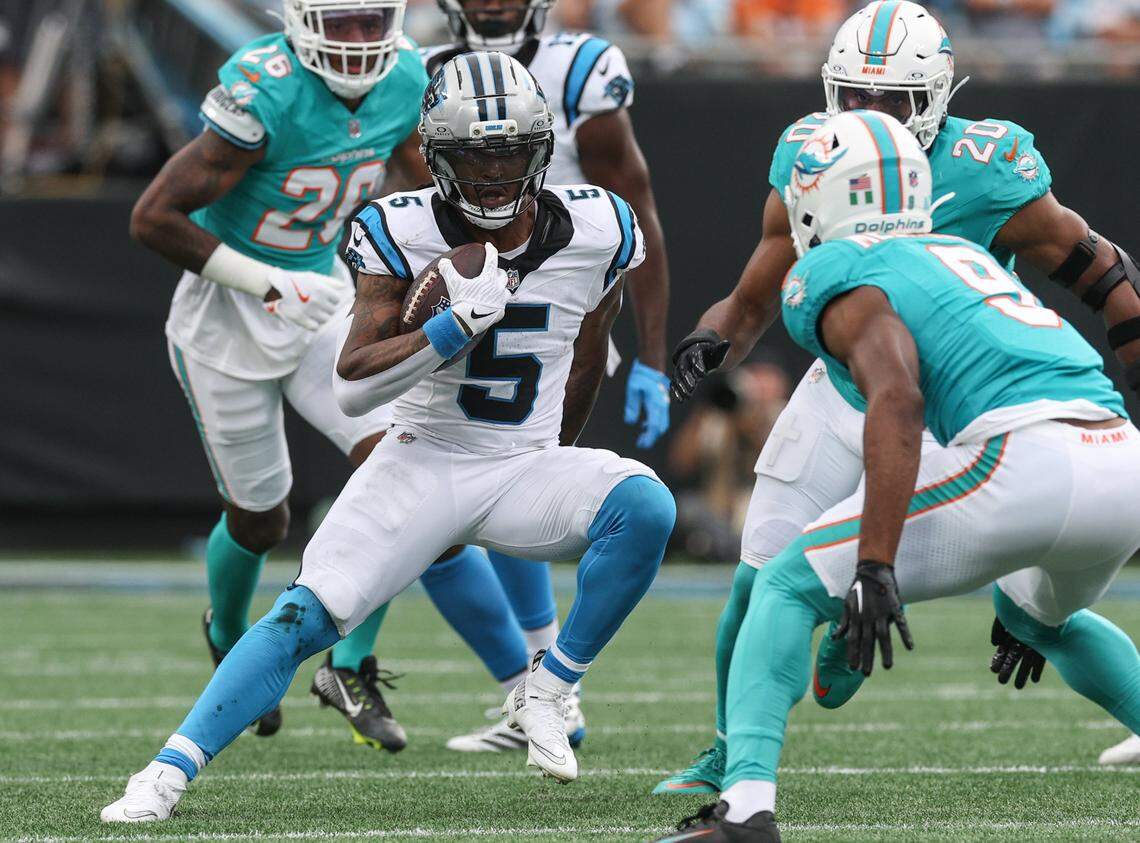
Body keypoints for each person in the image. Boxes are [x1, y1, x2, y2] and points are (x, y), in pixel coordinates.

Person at [100, 51, 674, 822]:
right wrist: (448, 329)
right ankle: (166, 772)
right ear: (436, 160)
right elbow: (354, 382)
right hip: (423, 461)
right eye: (475, 158)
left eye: (512, 153)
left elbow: (586, 347)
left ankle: (550, 686)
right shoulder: (397, 228)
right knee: (304, 616)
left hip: (521, 464)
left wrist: (558, 450)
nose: (497, 175)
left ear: (542, 151)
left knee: (647, 504)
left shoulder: (601, 225)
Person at [656, 0, 1140, 794]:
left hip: (950, 402)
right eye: (855, 96)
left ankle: (768, 764)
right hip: (853, 386)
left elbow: (1100, 269)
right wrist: (717, 337)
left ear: (941, 97)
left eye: (894, 100)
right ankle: (728, 747)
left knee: (1024, 613)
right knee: (758, 575)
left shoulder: (987, 165)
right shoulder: (811, 155)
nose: (871, 114)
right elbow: (754, 286)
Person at [131, 0, 532, 754]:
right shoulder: (266, 89)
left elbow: (424, 187)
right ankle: (226, 631)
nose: (358, 39)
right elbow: (153, 217)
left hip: (324, 305)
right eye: (341, 22)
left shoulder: (408, 74)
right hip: (229, 320)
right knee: (262, 519)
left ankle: (347, 664)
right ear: (303, 19)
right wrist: (264, 283)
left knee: (399, 464)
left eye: (371, 20)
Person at [420, 0, 673, 752]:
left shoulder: (580, 69)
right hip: (463, 300)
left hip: (553, 316)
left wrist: (653, 358)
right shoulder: (423, 71)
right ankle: (540, 691)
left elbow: (639, 211)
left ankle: (544, 688)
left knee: (482, 495)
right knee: (438, 510)